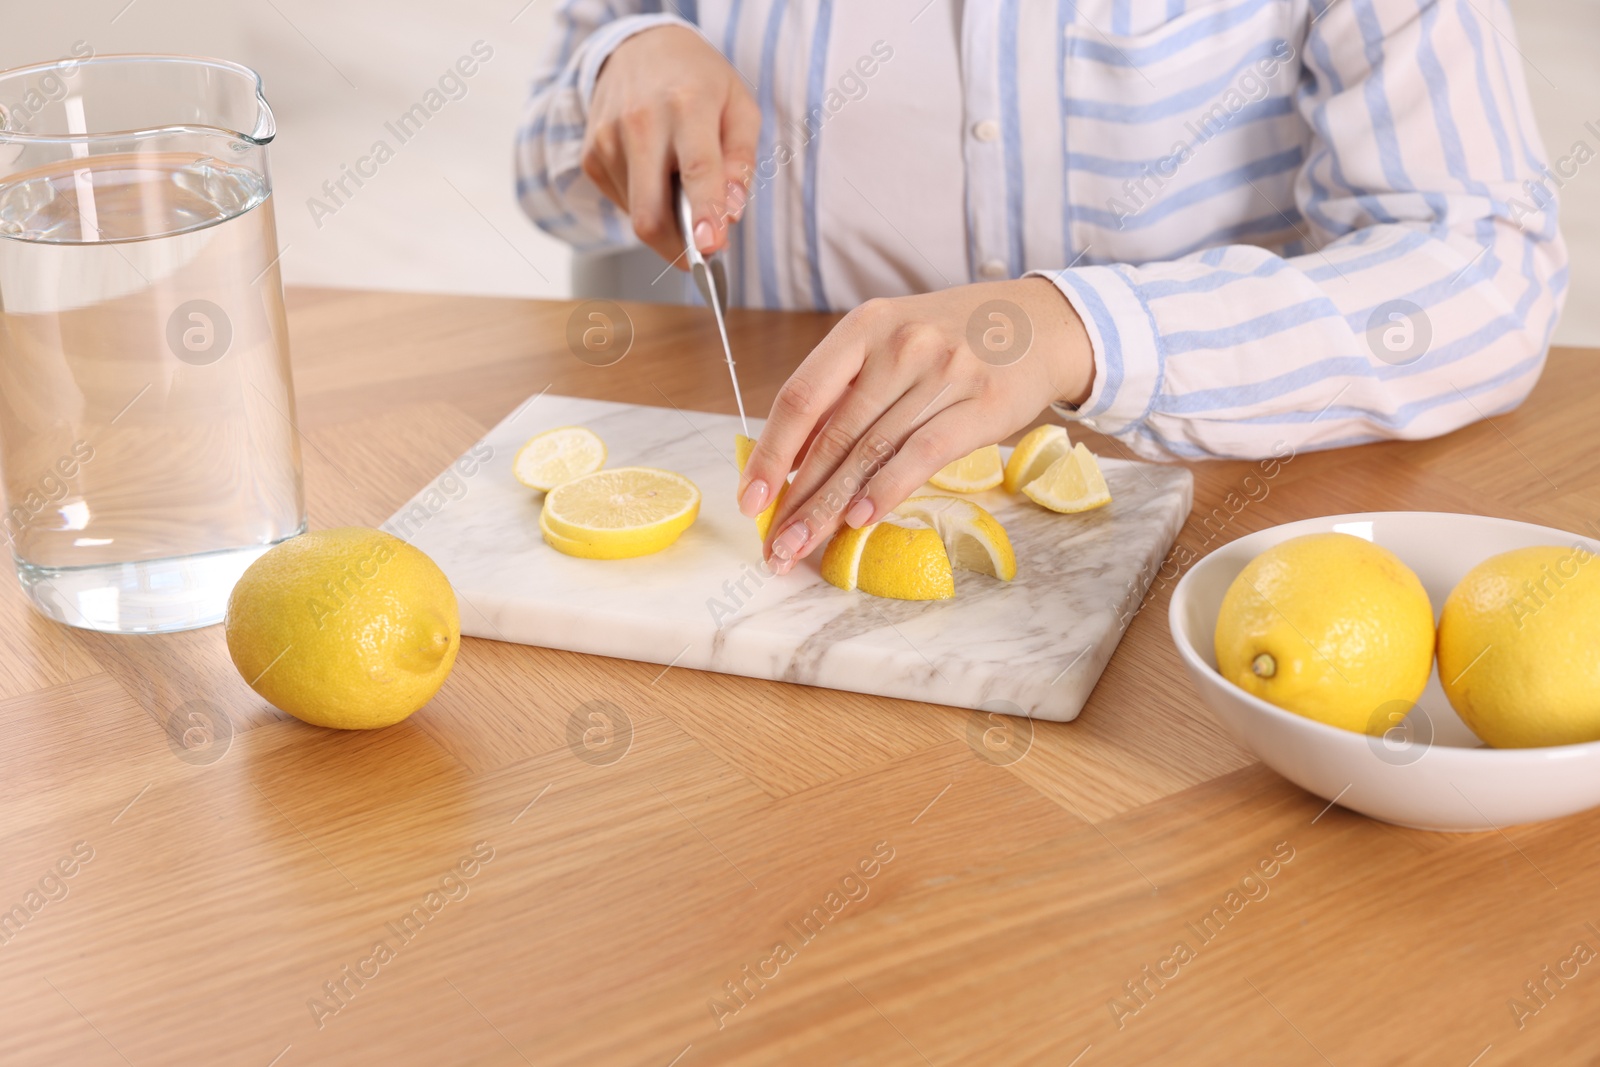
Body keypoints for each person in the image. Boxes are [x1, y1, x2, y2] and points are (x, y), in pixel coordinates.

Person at [515, 1, 1566, 575]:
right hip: (781, 541)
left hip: (1208, 554)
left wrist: (1076, 328)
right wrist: (620, 57)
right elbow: (546, 178)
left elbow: (1487, 266)